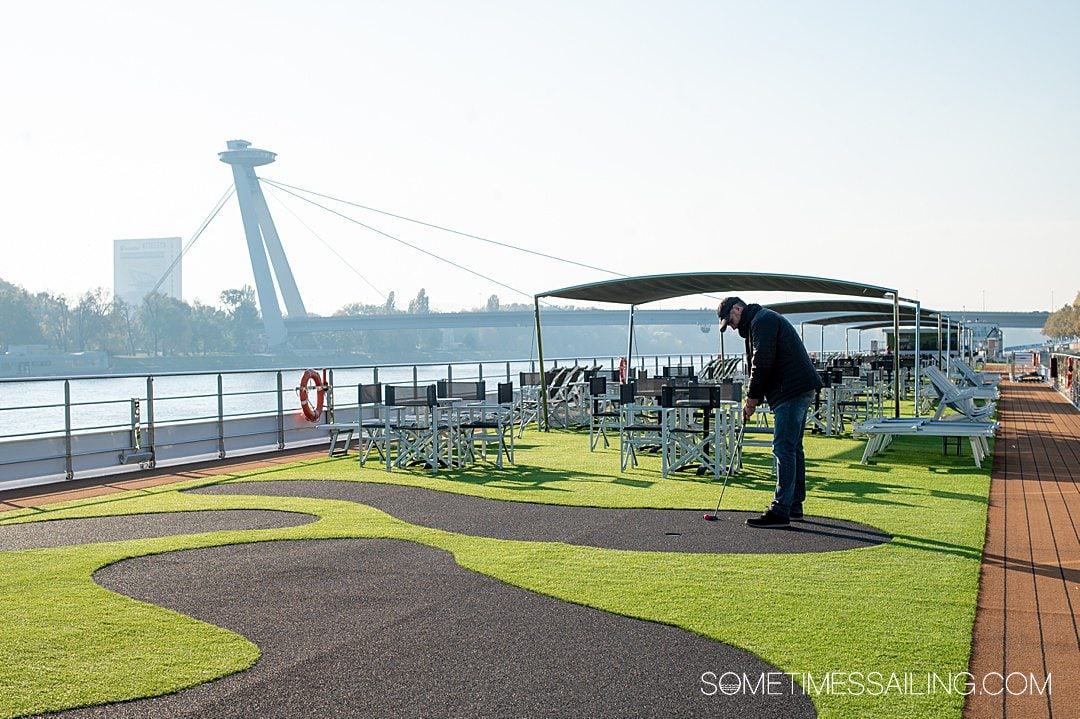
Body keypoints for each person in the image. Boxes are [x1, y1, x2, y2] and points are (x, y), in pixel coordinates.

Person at [717, 296, 824, 527]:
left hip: (792, 390)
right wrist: (753, 398)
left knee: (784, 448)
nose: (733, 326)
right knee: (793, 448)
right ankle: (793, 505)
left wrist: (751, 400)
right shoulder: (760, 320)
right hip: (799, 388)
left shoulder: (761, 321)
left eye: (731, 319)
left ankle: (781, 510)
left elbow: (762, 362)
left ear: (738, 308)